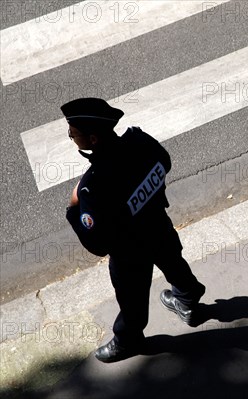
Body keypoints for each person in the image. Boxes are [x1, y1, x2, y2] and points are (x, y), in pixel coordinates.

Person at [62, 98, 206, 363]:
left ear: (93, 139)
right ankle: (188, 301)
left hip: (130, 253)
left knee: (131, 300)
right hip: (158, 226)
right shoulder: (138, 141)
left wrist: (73, 208)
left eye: (73, 132)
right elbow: (164, 161)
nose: (71, 136)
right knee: (174, 262)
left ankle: (128, 340)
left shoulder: (92, 188)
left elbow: (98, 245)